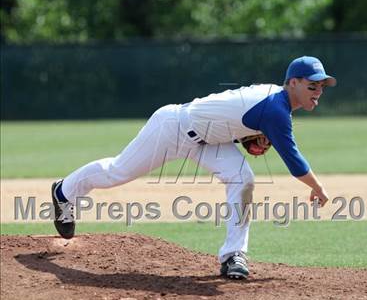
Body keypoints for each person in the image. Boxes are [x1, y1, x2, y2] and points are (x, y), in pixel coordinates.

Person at [51, 55, 336, 280]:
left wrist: (240, 137)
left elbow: (228, 115)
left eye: (321, 87)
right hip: (173, 128)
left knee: (242, 178)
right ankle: (64, 191)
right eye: (312, 85)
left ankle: (233, 255)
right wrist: (317, 188)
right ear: (293, 83)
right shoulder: (276, 109)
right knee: (117, 172)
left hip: (206, 141)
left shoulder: (274, 98)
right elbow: (295, 162)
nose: (318, 92)